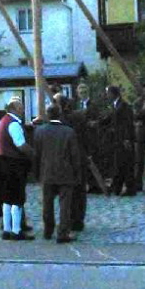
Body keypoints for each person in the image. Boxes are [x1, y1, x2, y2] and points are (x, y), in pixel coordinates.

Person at [33, 102, 83, 242]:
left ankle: (48, 231)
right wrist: (77, 173)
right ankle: (63, 232)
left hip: (47, 172)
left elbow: (37, 155)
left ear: (47, 115)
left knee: (47, 203)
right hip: (65, 173)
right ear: (60, 114)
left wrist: (37, 173)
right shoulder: (69, 131)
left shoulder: (39, 131)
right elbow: (75, 155)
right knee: (64, 205)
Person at [0, 97, 34, 240]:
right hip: (15, 164)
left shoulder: (3, 121)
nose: (22, 110)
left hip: (4, 163)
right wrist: (33, 154)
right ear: (14, 109)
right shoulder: (13, 124)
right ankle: (17, 230)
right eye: (20, 108)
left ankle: (7, 229)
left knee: (7, 198)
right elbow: (21, 145)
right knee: (17, 198)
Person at [59, 94, 88, 232]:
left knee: (70, 191)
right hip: (79, 157)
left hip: (68, 159)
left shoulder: (63, 121)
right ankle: (78, 220)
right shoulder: (79, 116)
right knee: (79, 191)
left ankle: (71, 219)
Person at [102, 84, 136, 196]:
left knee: (126, 164)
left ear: (112, 94)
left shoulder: (124, 106)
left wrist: (127, 138)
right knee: (119, 164)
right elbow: (109, 119)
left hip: (123, 139)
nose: (106, 95)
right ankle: (117, 187)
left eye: (108, 93)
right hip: (116, 139)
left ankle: (130, 188)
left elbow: (128, 123)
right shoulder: (114, 105)